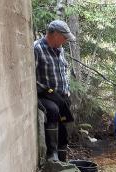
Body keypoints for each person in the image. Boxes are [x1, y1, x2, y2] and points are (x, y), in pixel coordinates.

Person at [34, 20, 76, 162]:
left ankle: (63, 159)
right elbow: (30, 77)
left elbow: (64, 71)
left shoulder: (60, 50)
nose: (65, 41)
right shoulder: (37, 48)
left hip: (63, 97)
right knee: (53, 110)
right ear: (56, 34)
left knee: (64, 128)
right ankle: (52, 154)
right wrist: (46, 91)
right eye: (64, 37)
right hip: (46, 95)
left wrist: (67, 89)